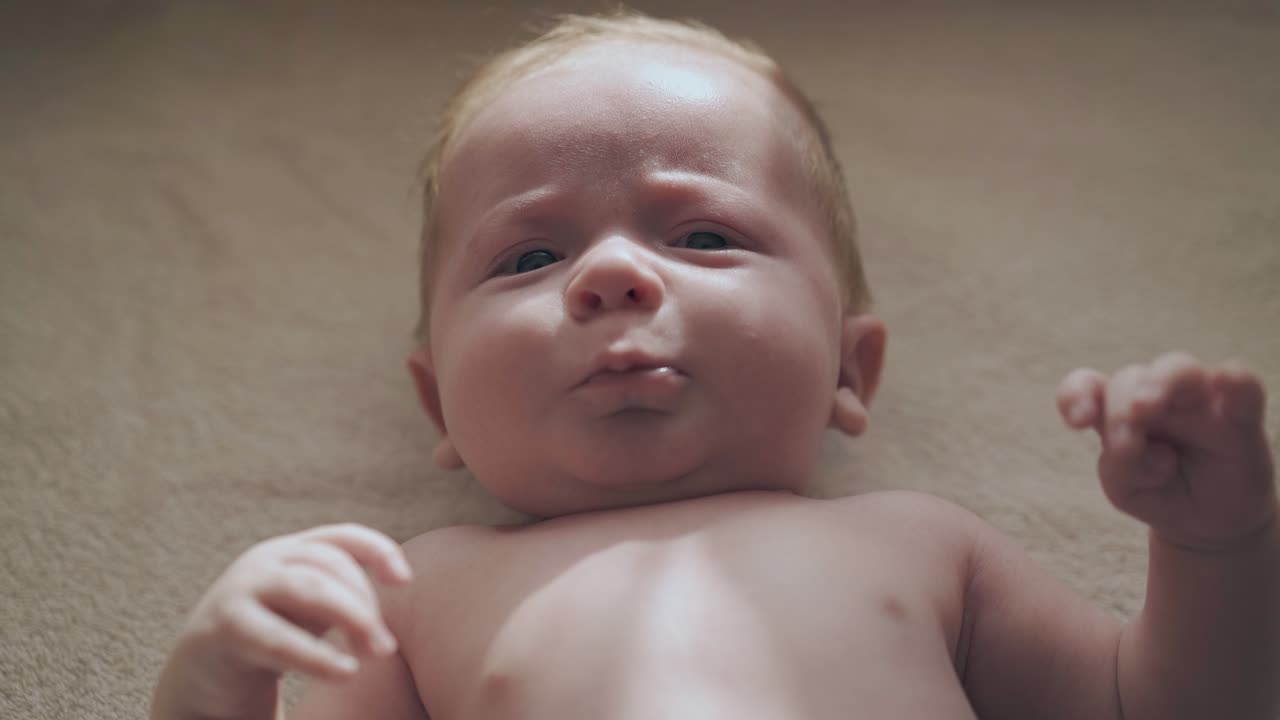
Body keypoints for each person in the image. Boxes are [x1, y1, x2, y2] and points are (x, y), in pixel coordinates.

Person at [151, 11, 1279, 720]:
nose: (610, 277)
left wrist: (1214, 544)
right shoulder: (413, 590)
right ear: (437, 399)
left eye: (701, 237)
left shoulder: (922, 542)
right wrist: (215, 687)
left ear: (849, 370)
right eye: (531, 255)